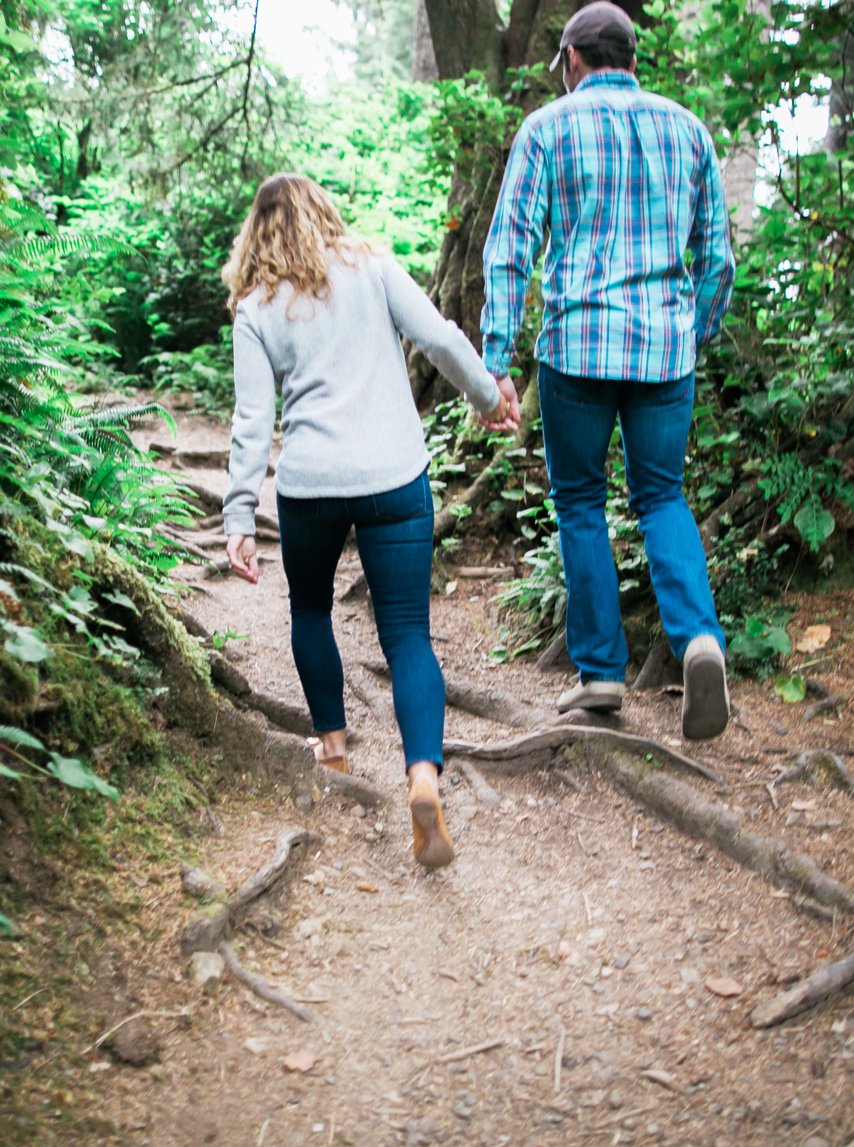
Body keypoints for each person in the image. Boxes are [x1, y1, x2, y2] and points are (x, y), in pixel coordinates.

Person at [221, 173, 519, 870]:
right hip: (394, 477)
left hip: (312, 486)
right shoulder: (373, 267)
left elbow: (251, 423)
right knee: (409, 634)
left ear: (256, 234)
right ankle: (422, 775)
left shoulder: (256, 308)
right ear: (325, 213)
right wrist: (485, 396)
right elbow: (440, 339)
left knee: (310, 611)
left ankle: (332, 747)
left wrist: (238, 512)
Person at [479, 1, 736, 740]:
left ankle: (599, 675)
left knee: (581, 503)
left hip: (579, 347)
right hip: (663, 351)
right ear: (632, 60)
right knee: (661, 497)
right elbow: (716, 257)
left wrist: (497, 360)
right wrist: (695, 332)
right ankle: (698, 639)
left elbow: (509, 247)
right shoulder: (688, 129)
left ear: (571, 60)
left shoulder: (548, 128)